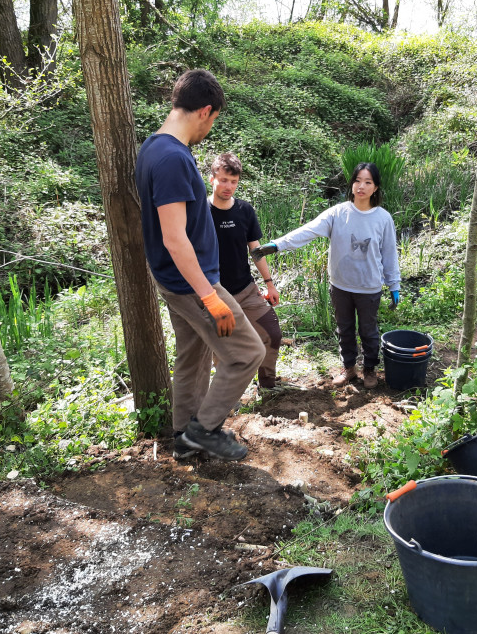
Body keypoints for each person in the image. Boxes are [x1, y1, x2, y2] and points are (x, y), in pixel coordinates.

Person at [134, 69, 265, 462]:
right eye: (214, 119)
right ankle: (203, 430)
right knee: (248, 352)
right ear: (205, 111)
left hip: (175, 280)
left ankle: (182, 436)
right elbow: (175, 238)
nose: (210, 128)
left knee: (192, 355)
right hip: (191, 283)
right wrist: (210, 297)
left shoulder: (153, 147)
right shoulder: (172, 158)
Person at [251, 163, 400, 389]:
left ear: (376, 187)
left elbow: (389, 254)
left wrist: (394, 284)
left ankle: (369, 368)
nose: (361, 186)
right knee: (344, 329)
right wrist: (277, 245)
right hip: (340, 286)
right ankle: (349, 368)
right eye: (357, 180)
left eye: (368, 182)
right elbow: (308, 231)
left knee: (368, 331)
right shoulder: (338, 213)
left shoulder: (383, 218)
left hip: (369, 287)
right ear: (351, 184)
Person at [208, 152, 283, 389]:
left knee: (272, 334)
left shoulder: (244, 210)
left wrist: (269, 283)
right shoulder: (200, 212)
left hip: (246, 290)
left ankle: (268, 385)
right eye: (223, 180)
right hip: (215, 294)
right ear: (212, 179)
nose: (228, 186)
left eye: (234, 181)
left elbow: (256, 250)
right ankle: (227, 396)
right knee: (223, 349)